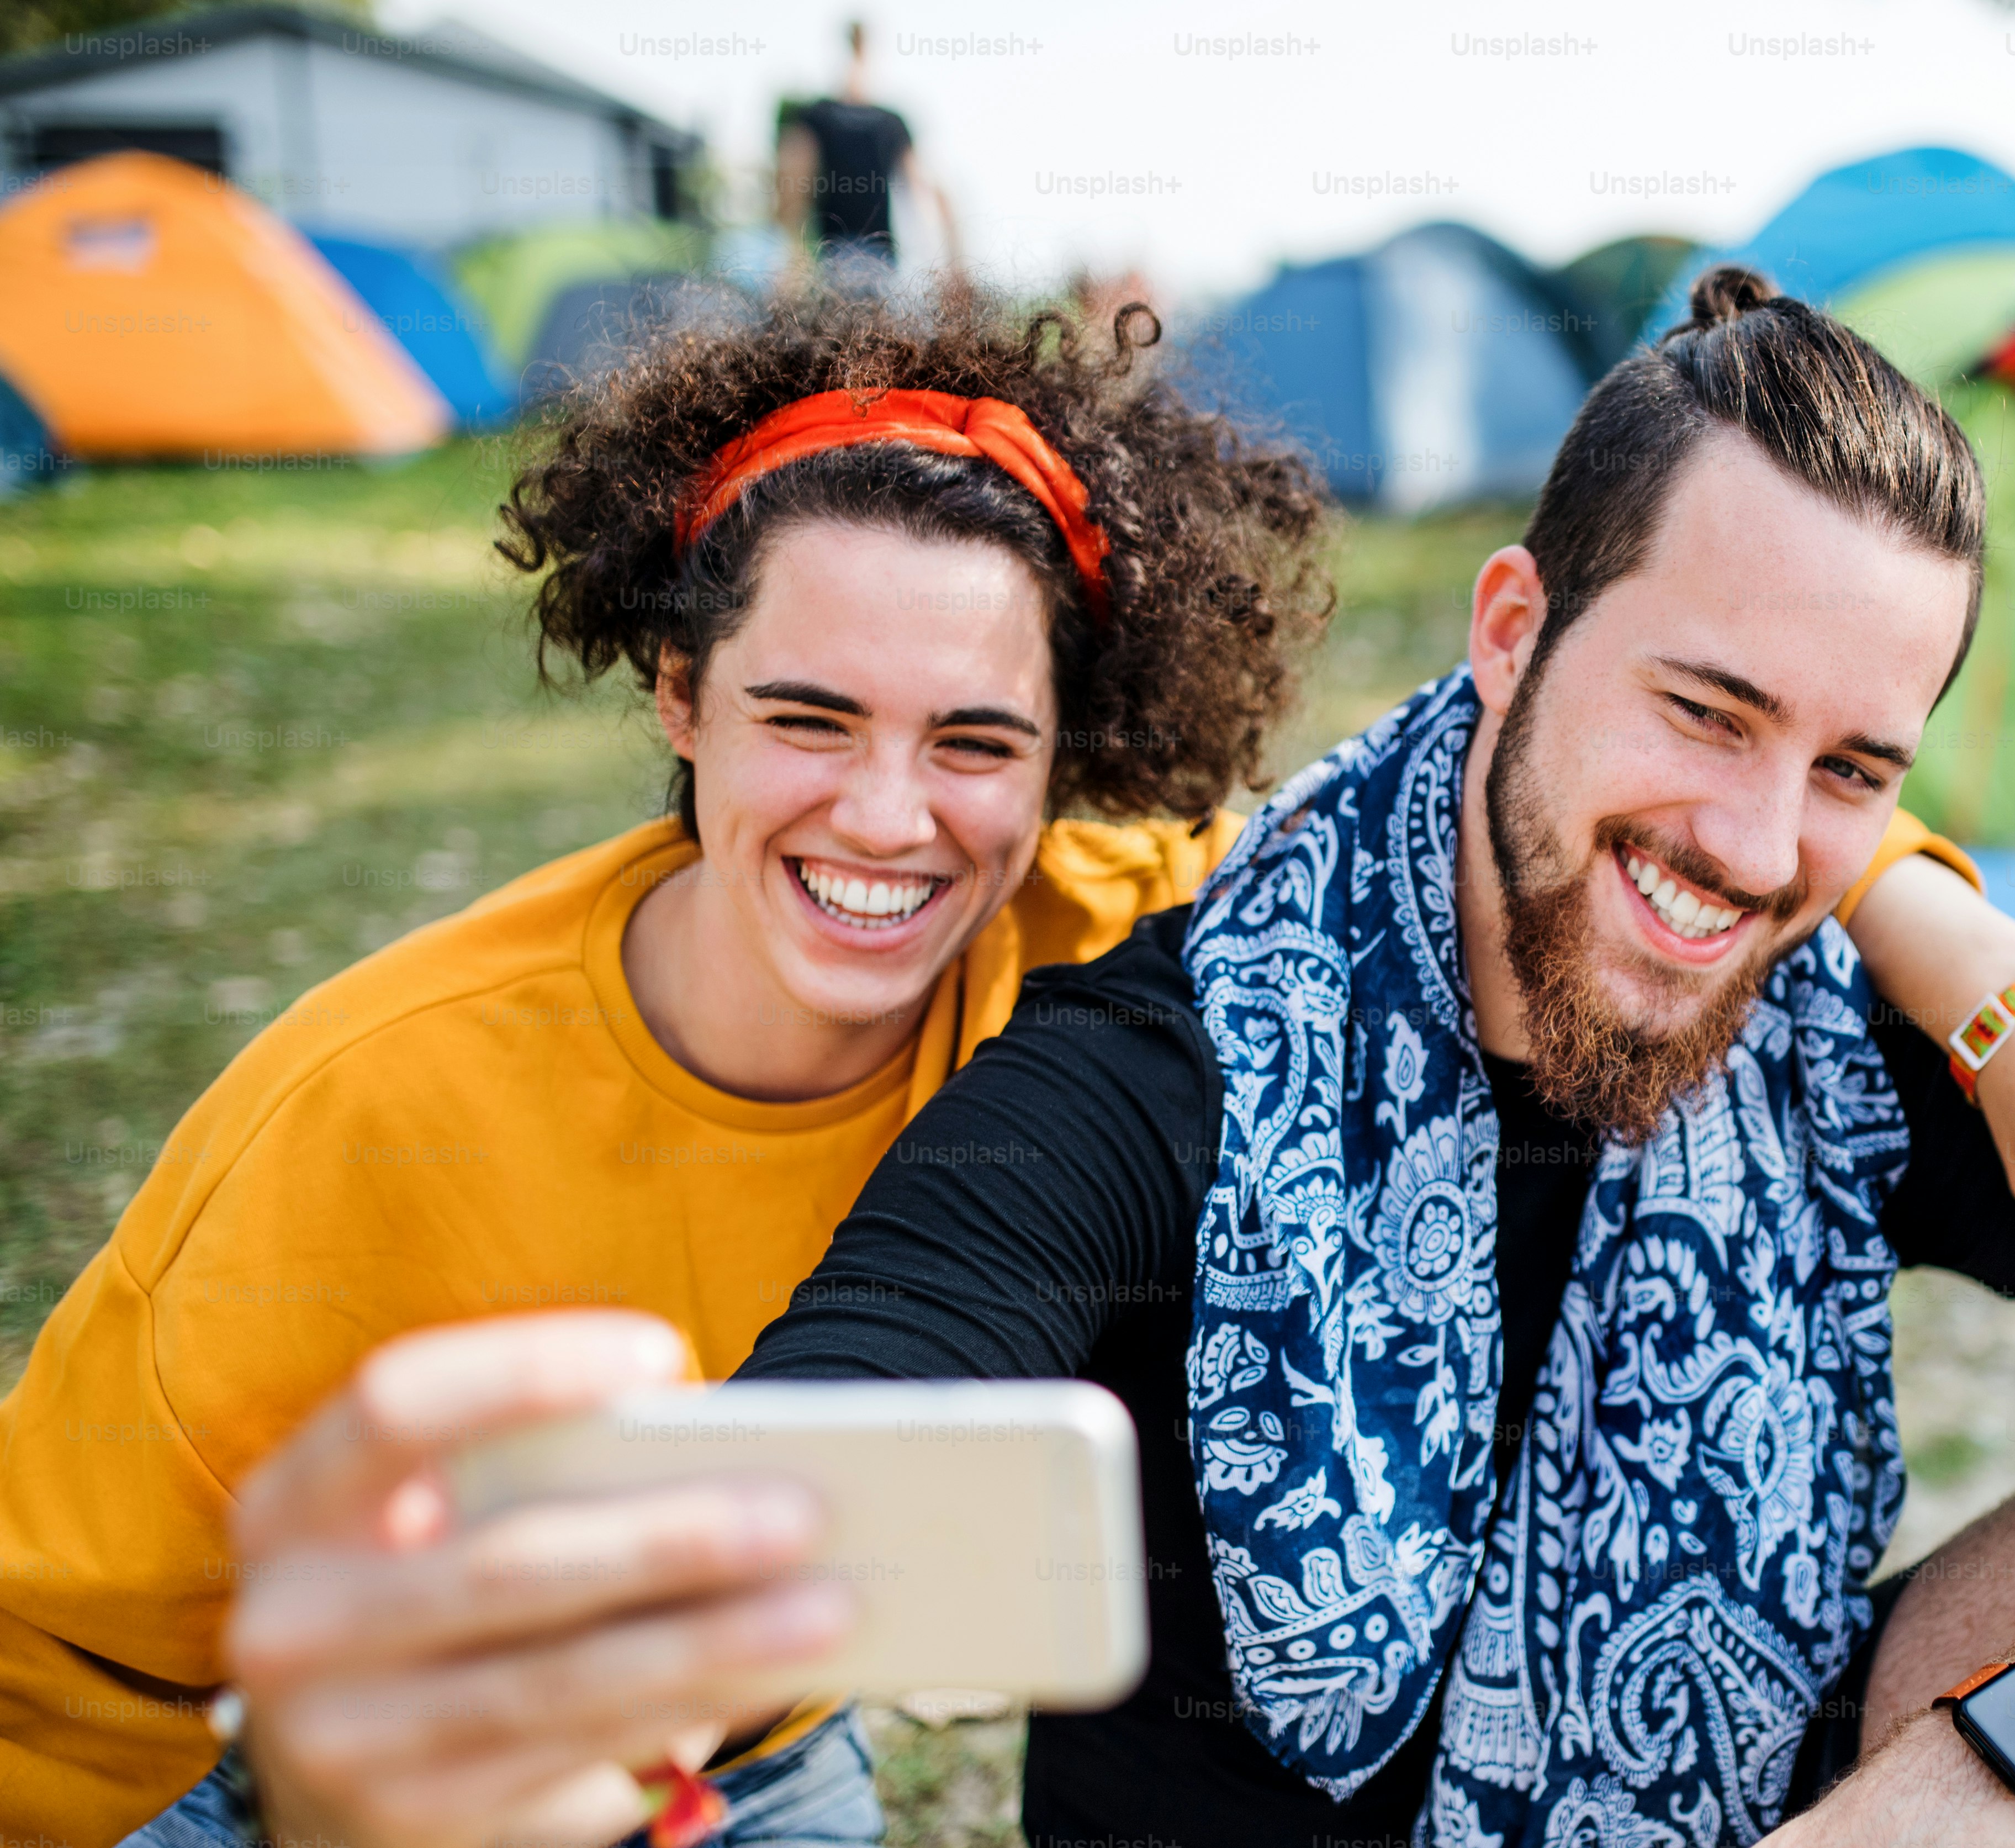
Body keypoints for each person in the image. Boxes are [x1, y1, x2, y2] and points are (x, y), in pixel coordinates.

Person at [187, 274, 2015, 1848]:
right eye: (1704, 711)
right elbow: (819, 1453)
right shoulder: (1170, 1065)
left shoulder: (1848, 1017)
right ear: (1516, 627)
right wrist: (475, 1690)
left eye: (1853, 765)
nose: (1757, 842)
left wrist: (1981, 1776)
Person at [0, 284, 1334, 1847]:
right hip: (277, 1762)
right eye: (811, 719)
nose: (892, 820)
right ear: (682, 697)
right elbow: (63, 1637)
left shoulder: (1110, 936)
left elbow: (1406, 873)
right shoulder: (367, 1105)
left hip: (745, 1745)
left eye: (974, 743)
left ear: (1063, 762)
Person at [774, 22, 961, 285]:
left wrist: (791, 256)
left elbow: (792, 192)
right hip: (869, 262)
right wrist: (952, 262)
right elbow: (928, 190)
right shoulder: (885, 121)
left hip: (844, 260)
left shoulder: (818, 117)